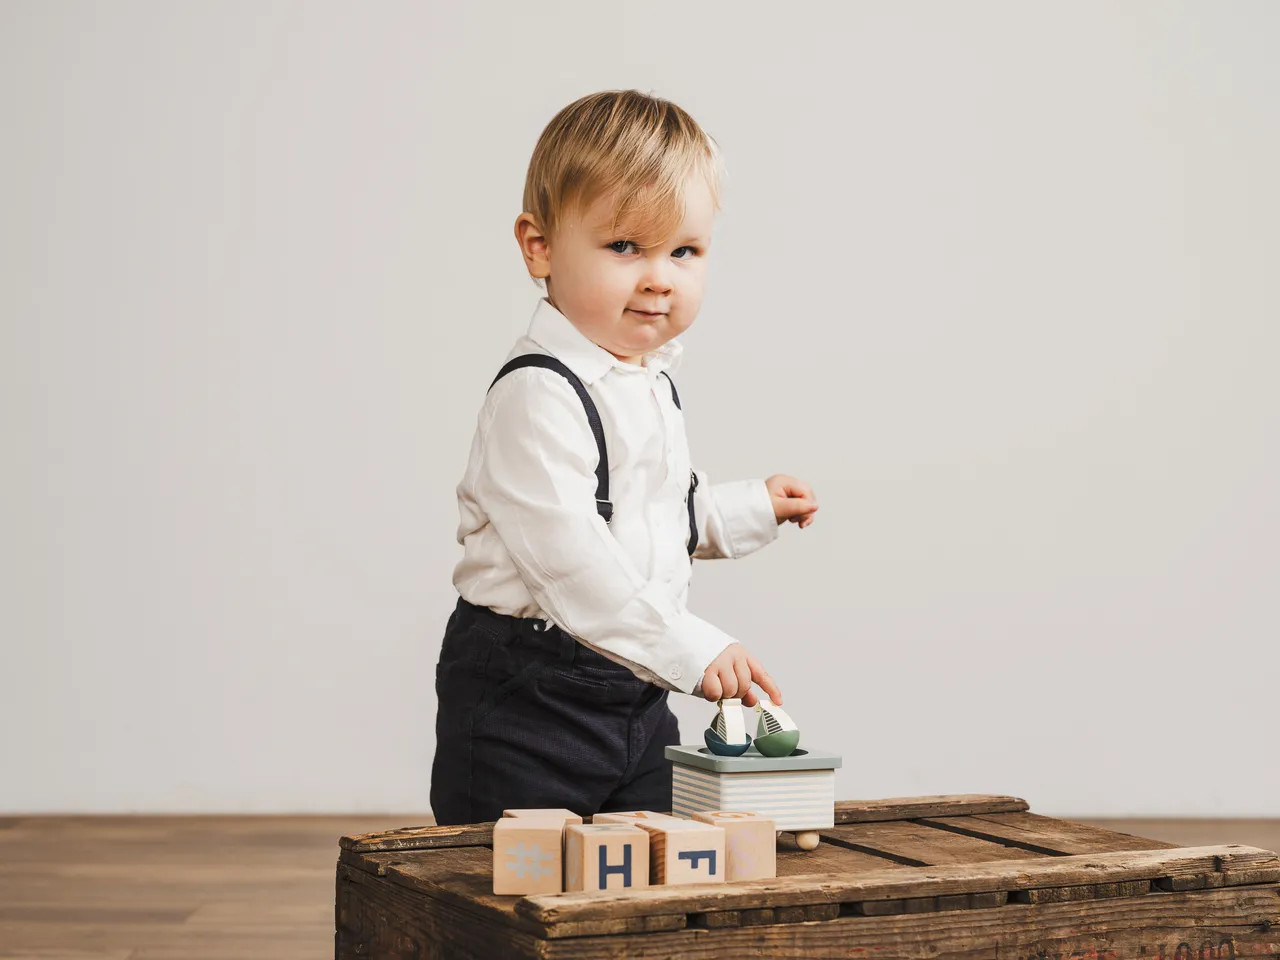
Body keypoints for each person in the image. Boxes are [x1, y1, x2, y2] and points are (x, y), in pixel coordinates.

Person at [430, 89, 819, 826]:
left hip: (635, 694)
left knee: (645, 865)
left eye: (684, 251)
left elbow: (654, 512)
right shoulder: (537, 398)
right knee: (517, 877)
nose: (659, 277)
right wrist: (693, 648)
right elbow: (576, 567)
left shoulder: (647, 379)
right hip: (530, 699)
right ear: (539, 246)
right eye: (624, 248)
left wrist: (751, 507)